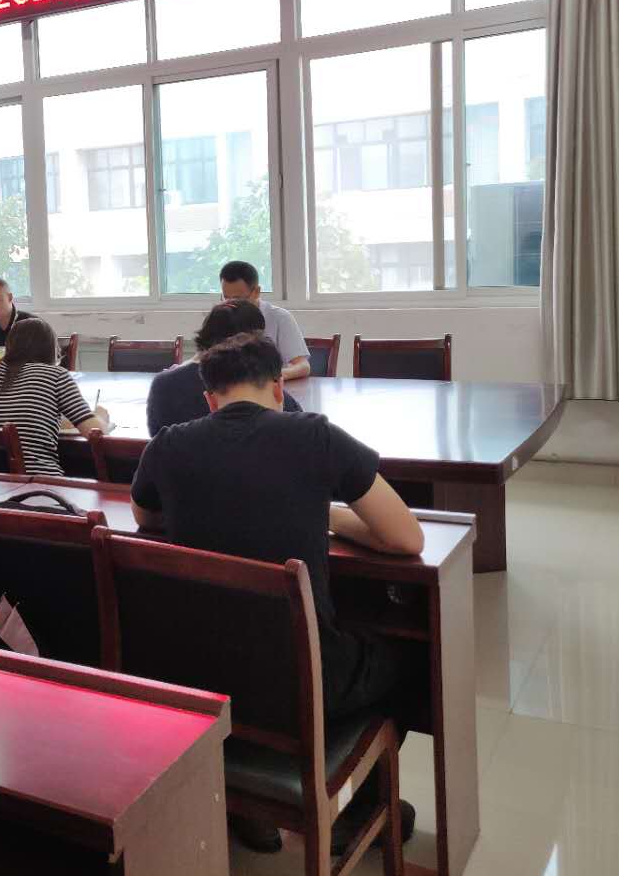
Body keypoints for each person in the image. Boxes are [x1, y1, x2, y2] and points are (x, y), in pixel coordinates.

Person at [130, 333, 424, 854]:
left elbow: (146, 517)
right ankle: (356, 808)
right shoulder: (314, 436)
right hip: (303, 681)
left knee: (242, 650)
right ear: (277, 389)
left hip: (199, 680)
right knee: (407, 662)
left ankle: (249, 807)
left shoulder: (168, 445)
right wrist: (327, 514)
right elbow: (406, 538)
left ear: (210, 398)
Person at [147, 299, 302, 437]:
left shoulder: (163, 384)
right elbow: (296, 428)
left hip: (183, 461)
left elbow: (156, 437)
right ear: (250, 342)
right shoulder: (260, 385)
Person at [0, 317, 109, 475]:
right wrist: (100, 415)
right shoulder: (56, 375)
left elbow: (19, 414)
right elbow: (95, 433)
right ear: (51, 347)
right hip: (39, 479)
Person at [219, 260, 311, 380]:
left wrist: (269, 377)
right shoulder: (220, 317)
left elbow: (303, 366)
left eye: (238, 299)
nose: (232, 305)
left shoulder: (280, 317)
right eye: (226, 298)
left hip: (271, 386)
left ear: (256, 292)